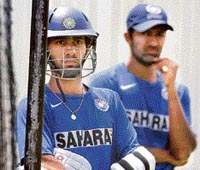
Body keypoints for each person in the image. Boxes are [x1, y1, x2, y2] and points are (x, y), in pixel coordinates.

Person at [15, 6, 156, 170]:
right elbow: (43, 163)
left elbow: (133, 153)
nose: (70, 51)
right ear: (45, 48)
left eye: (77, 42)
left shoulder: (110, 100)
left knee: (143, 159)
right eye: (61, 42)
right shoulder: (34, 106)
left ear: (87, 47)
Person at [89, 3, 197, 170]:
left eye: (159, 34)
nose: (153, 42)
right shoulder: (105, 86)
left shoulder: (177, 91)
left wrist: (171, 90)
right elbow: (105, 148)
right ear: (128, 37)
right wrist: (165, 155)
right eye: (146, 34)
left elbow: (182, 154)